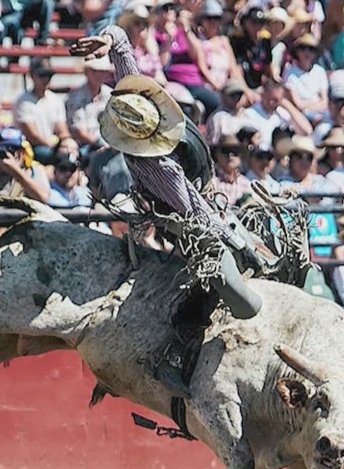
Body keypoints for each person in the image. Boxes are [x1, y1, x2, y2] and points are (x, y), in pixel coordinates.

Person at [71, 25, 276, 396]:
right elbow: (192, 212)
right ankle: (173, 356)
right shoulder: (156, 162)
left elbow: (121, 41)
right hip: (184, 219)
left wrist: (108, 39)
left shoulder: (132, 98)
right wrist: (233, 238)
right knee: (213, 280)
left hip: (196, 204)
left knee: (235, 257)